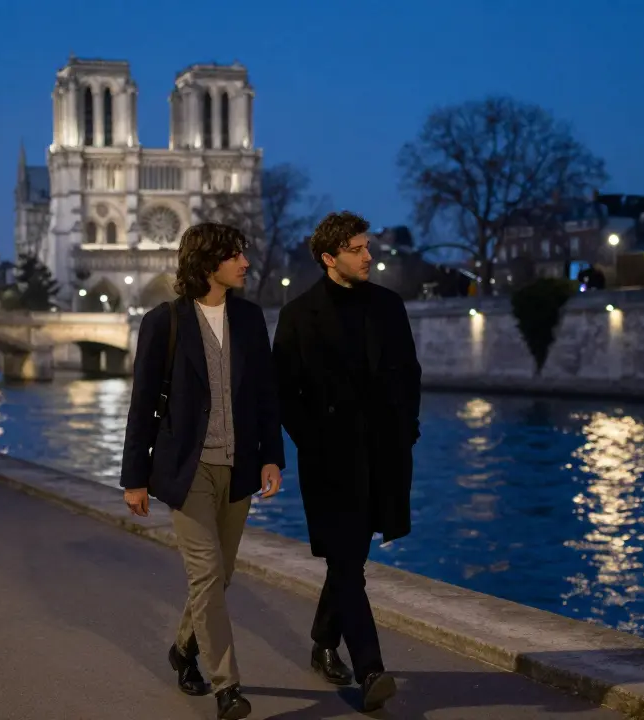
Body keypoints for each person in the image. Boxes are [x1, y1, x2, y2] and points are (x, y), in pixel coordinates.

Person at [119, 222, 284, 720]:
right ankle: (227, 686)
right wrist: (135, 477)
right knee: (208, 575)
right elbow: (143, 404)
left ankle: (184, 648)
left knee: (221, 576)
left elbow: (264, 395)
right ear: (208, 263)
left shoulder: (251, 319)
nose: (246, 263)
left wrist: (271, 454)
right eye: (235, 255)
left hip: (239, 468)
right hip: (186, 469)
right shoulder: (164, 322)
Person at [271, 210, 422, 713]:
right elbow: (283, 391)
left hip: (382, 455)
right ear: (329, 258)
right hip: (330, 459)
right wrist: (310, 440)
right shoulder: (298, 315)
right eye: (357, 249)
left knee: (350, 560)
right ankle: (371, 667)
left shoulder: (389, 306)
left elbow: (409, 373)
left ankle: (321, 639)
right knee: (345, 562)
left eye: (368, 246)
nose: (368, 255)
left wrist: (408, 431)